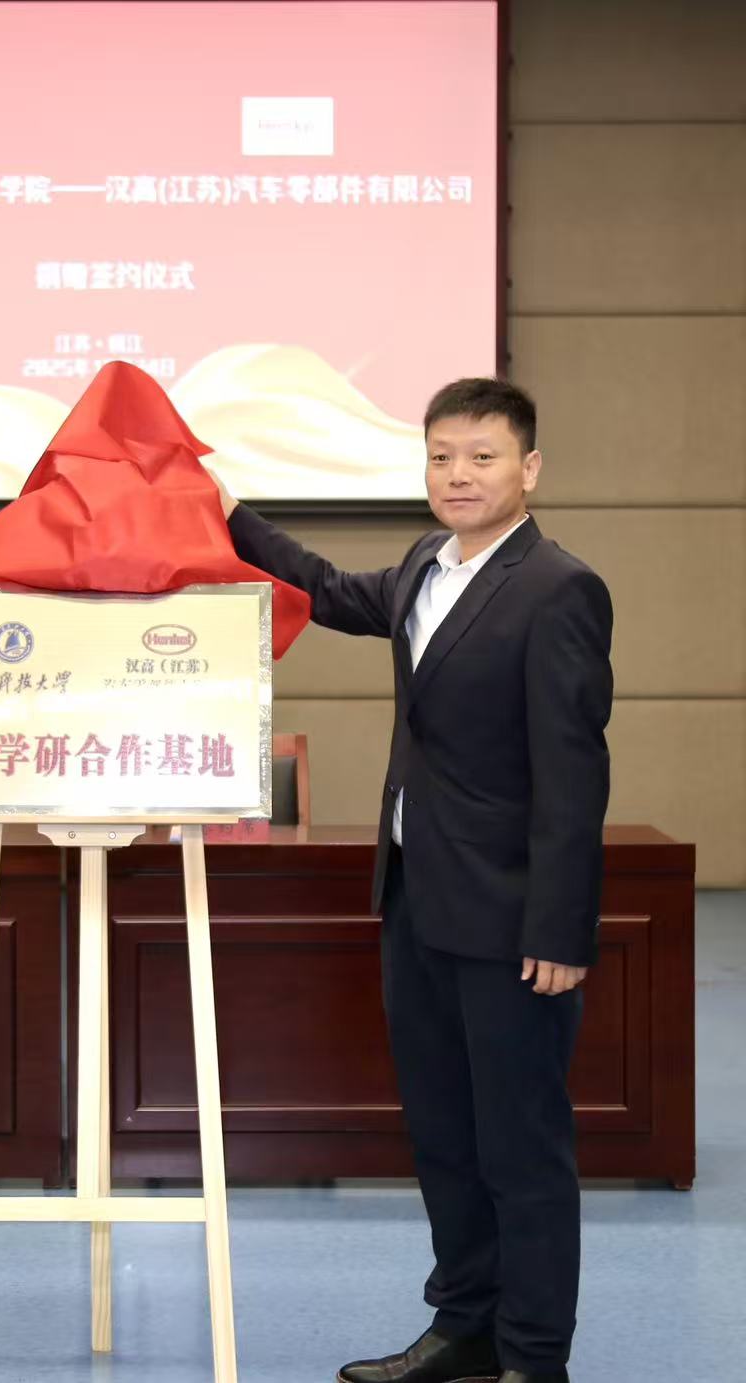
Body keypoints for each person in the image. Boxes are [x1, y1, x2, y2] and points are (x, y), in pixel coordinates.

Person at [211, 378, 612, 1383]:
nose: (457, 474)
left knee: (520, 1148)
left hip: (511, 921)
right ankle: (465, 1329)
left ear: (529, 468)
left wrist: (560, 929)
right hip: (416, 904)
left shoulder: (557, 588)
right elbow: (320, 586)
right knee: (442, 1136)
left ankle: (533, 1357)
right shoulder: (424, 565)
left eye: (481, 456)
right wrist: (224, 511)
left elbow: (573, 775)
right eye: (440, 457)